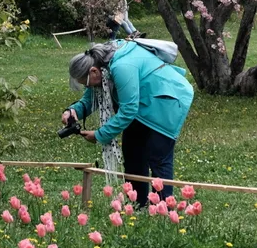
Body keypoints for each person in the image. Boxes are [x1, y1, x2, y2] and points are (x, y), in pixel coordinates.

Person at [63, 41, 193, 205]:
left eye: (86, 83)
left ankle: (163, 209)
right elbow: (90, 98)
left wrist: (100, 135)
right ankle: (138, 205)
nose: (89, 87)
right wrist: (73, 111)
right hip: (143, 103)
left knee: (158, 157)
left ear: (93, 71)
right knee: (133, 156)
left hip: (167, 100)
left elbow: (129, 110)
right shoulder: (99, 64)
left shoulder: (121, 67)